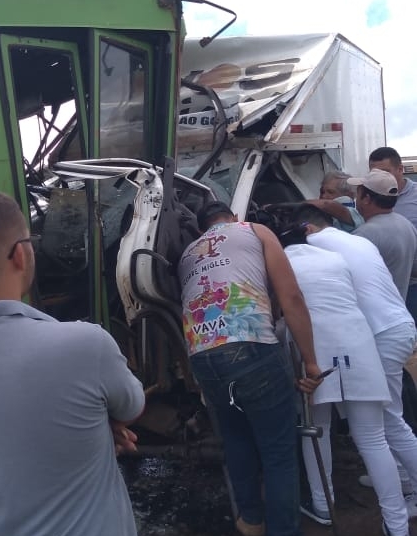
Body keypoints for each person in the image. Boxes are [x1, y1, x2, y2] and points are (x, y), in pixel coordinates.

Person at [0, 190, 145, 536]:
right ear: (21, 254)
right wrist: (95, 423)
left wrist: (86, 428)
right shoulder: (85, 346)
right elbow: (132, 408)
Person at [178, 201, 321, 536]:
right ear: (234, 218)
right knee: (278, 451)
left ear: (201, 229)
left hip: (202, 356)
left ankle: (252, 521)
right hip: (250, 345)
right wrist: (311, 362)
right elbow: (291, 297)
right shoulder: (254, 230)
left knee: (237, 439)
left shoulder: (188, 253)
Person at [278, 212, 407, 535]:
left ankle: (324, 505)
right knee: (373, 438)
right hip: (359, 342)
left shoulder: (280, 263)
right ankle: (397, 525)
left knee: (316, 428)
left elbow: (284, 312)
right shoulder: (336, 259)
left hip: (313, 348)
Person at [349, 169, 417, 301]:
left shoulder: (365, 234)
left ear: (366, 199)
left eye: (358, 194)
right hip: (400, 305)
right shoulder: (405, 224)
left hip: (373, 310)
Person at [368, 147, 417, 321]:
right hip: (383, 285)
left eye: (386, 172)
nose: (380, 178)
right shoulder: (368, 198)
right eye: (374, 173)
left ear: (400, 169)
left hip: (412, 284)